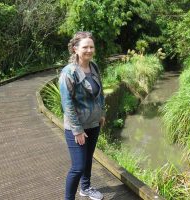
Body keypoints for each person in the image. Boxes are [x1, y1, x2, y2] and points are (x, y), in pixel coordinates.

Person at [59, 31, 106, 200]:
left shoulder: (94, 67)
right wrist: (77, 130)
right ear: (75, 49)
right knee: (78, 166)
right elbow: (67, 103)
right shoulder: (68, 72)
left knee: (88, 160)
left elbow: (100, 93)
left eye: (91, 46)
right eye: (85, 47)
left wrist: (102, 113)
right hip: (76, 127)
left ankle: (85, 188)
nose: (89, 50)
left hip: (93, 123)